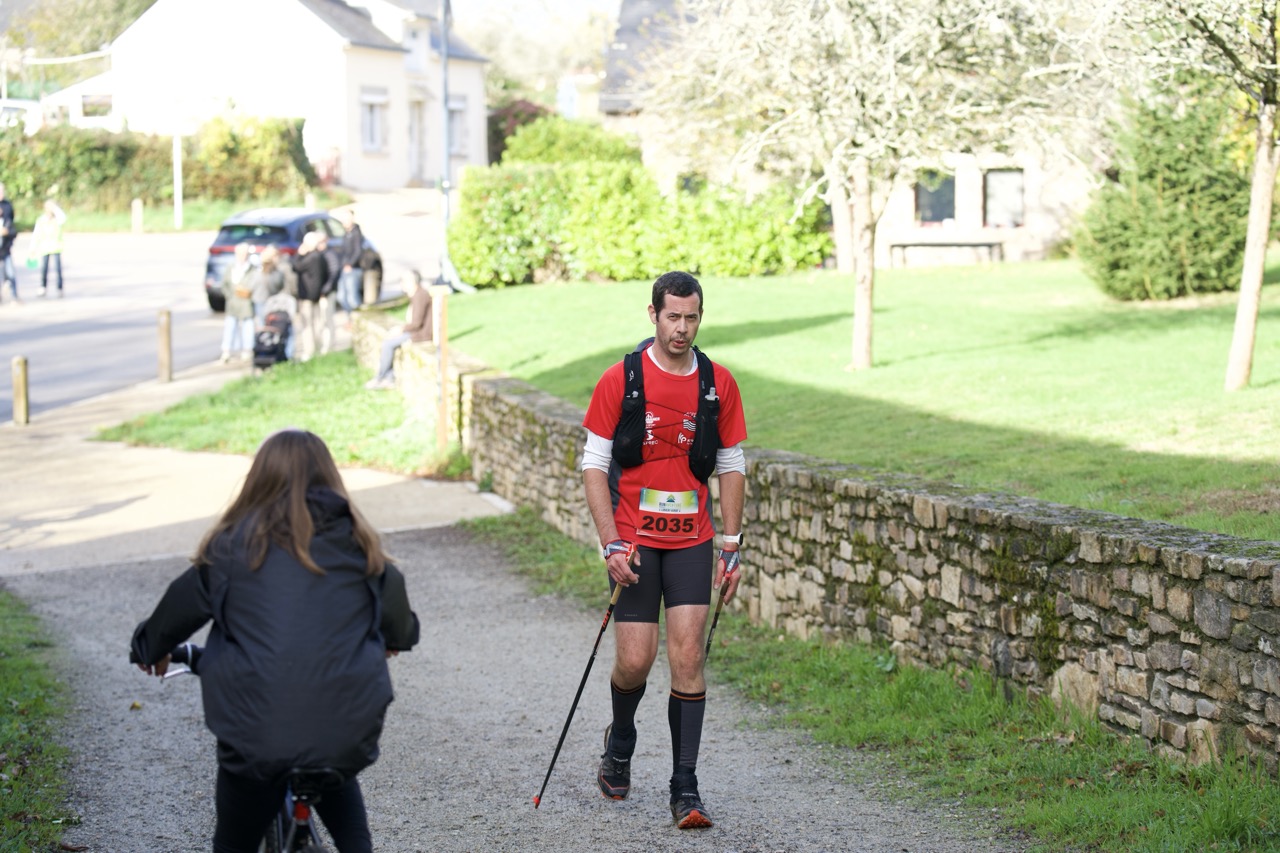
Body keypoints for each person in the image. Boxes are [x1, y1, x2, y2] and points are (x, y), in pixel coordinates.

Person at [129, 428, 420, 853]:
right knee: (332, 764)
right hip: (345, 730)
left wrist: (149, 649)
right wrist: (393, 638)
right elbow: (400, 626)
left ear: (257, 480)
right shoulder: (361, 547)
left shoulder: (230, 550)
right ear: (330, 478)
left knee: (235, 839)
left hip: (255, 741)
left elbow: (175, 612)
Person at [580, 270, 747, 829]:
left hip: (692, 540)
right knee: (635, 659)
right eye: (672, 316)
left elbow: (731, 464)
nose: (682, 328)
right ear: (652, 314)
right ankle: (620, 741)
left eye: (691, 318)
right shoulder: (621, 379)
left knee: (688, 657)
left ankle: (685, 787)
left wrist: (731, 545)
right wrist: (609, 541)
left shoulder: (718, 384)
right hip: (633, 542)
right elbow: (594, 465)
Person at [364, 272, 431, 390]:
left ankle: (381, 377)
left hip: (421, 334)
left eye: (404, 281)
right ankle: (388, 378)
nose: (402, 284)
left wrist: (400, 329)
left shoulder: (420, 296)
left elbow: (416, 323)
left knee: (388, 344)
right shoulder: (417, 295)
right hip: (416, 331)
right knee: (388, 340)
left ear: (413, 282)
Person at [291, 231, 330, 361]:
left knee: (308, 325)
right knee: (315, 323)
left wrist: (299, 254)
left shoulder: (312, 257)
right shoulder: (319, 256)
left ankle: (310, 351)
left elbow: (296, 266)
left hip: (308, 296)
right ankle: (315, 349)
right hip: (314, 295)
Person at [220, 243, 257, 363]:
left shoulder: (252, 268)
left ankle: (247, 349)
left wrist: (247, 292)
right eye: (240, 254)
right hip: (233, 302)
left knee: (248, 327)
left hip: (246, 302)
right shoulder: (231, 267)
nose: (243, 256)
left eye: (245, 254)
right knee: (230, 326)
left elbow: (254, 285)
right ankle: (226, 350)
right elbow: (224, 284)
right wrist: (229, 296)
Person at [31, 198, 66, 298]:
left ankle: (59, 288)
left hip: (56, 247)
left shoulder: (58, 219)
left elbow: (63, 217)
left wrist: (55, 208)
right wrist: (33, 248)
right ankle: (43, 287)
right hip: (45, 248)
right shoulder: (41, 220)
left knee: (58, 269)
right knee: (44, 269)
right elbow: (36, 234)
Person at [336, 208, 366, 317]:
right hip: (344, 268)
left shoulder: (356, 233)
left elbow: (358, 251)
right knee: (341, 296)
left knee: (352, 298)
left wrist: (350, 264)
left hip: (353, 269)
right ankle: (349, 318)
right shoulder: (346, 233)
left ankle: (358, 318)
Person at [250, 244, 286, 325]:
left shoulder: (277, 270)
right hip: (262, 298)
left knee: (267, 322)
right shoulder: (264, 270)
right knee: (266, 322)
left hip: (268, 299)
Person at [0, 183, 17, 303]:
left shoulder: (7, 206)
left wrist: (7, 231)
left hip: (5, 247)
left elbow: (11, 224)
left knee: (10, 273)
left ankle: (14, 296)